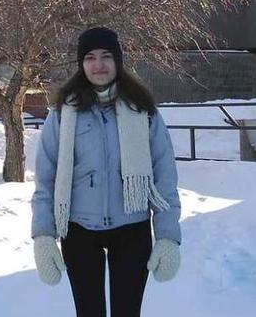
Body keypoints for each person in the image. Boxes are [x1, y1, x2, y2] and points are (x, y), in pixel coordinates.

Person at [31, 26, 181, 317]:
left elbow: (164, 175)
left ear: (118, 61)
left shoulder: (143, 110)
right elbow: (45, 179)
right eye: (89, 57)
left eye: (106, 56)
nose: (98, 65)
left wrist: (167, 235)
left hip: (132, 229)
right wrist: (43, 236)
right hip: (79, 231)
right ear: (81, 64)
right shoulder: (63, 113)